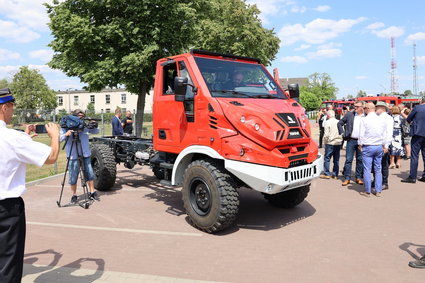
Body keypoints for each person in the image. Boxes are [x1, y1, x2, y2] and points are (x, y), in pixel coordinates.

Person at [0, 88, 60, 282]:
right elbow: (51, 158)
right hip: (6, 209)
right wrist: (55, 136)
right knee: (8, 265)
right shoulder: (12, 138)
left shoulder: (16, 138)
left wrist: (24, 137)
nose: (12, 112)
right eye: (11, 108)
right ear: (4, 107)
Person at [61, 109, 100, 203]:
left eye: (82, 117)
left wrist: (93, 124)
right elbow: (59, 138)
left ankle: (92, 192)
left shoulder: (84, 125)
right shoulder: (66, 125)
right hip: (73, 155)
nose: (81, 119)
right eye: (79, 117)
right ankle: (74, 195)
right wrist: (66, 134)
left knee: (89, 173)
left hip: (85, 153)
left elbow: (96, 131)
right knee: (73, 176)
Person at [358, 102, 389, 197]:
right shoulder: (381, 120)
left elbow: (361, 134)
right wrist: (385, 146)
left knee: (367, 169)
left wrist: (360, 145)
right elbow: (385, 134)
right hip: (379, 146)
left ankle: (367, 191)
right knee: (378, 169)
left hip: (368, 146)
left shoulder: (364, 120)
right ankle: (378, 190)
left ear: (367, 108)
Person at [337, 100, 365, 186]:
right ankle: (347, 178)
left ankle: (358, 177)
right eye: (354, 106)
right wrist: (342, 133)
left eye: (357, 106)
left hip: (362, 141)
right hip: (351, 140)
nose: (355, 108)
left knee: (360, 160)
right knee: (349, 159)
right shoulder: (350, 114)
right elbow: (339, 123)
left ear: (362, 107)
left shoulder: (366, 116)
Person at [401, 97, 425, 183]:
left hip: (417, 133)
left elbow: (408, 119)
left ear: (421, 101)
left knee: (415, 156)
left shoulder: (417, 108)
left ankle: (412, 177)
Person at [375, 101, 394, 190]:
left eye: (377, 107)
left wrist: (386, 145)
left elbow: (389, 132)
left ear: (382, 108)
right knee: (375, 164)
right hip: (375, 143)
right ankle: (376, 180)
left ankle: (384, 182)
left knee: (383, 164)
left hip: (383, 144)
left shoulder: (388, 118)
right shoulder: (376, 117)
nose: (375, 109)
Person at [320, 110, 342, 179]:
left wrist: (325, 142)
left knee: (327, 158)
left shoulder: (327, 122)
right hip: (338, 142)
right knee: (336, 159)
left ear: (328, 115)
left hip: (330, 142)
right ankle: (335, 174)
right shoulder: (339, 121)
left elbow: (326, 134)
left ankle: (327, 173)